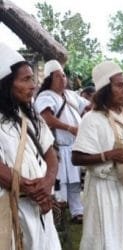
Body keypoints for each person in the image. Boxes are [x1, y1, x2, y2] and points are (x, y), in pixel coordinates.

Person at [71, 61, 123, 250]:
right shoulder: (92, 119)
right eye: (119, 85)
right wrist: (109, 155)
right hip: (104, 190)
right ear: (106, 88)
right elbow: (77, 158)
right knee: (104, 239)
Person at [0, 43, 61, 249]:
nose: (33, 85)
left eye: (32, 78)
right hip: (10, 206)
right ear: (7, 84)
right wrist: (28, 187)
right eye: (25, 79)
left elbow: (50, 153)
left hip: (40, 205)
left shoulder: (31, 115)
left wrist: (48, 182)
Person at [34, 59, 89, 223]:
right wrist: (70, 128)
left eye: (64, 76)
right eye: (59, 76)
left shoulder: (71, 95)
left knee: (74, 182)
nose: (63, 79)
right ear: (50, 78)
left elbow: (88, 106)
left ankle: (77, 212)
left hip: (74, 146)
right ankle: (58, 212)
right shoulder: (45, 96)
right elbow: (47, 118)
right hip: (57, 147)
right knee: (59, 182)